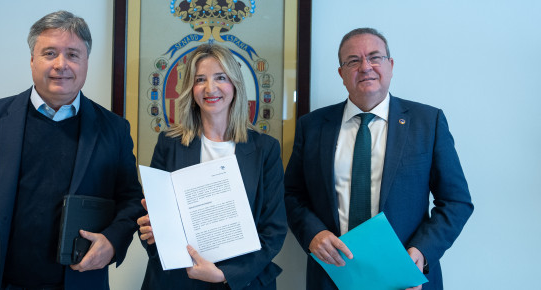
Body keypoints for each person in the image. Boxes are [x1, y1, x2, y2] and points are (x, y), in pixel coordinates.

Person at [0, 10, 144, 290]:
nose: (61, 64)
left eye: (72, 54)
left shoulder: (114, 129)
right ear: (32, 60)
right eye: (49, 53)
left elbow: (131, 201)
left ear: (86, 62)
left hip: (79, 282)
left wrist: (112, 241)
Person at [284, 27, 474, 290]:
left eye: (375, 57)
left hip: (405, 276)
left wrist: (422, 251)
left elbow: (456, 201)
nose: (365, 67)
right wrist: (313, 234)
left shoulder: (428, 123)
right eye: (353, 60)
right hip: (332, 276)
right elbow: (292, 194)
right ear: (341, 73)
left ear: (391, 65)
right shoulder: (312, 126)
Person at [136, 44, 287, 290]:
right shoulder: (169, 144)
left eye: (220, 78)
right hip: (177, 281)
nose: (210, 88)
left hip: (242, 282)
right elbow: (153, 223)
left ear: (235, 84)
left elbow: (274, 230)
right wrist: (154, 231)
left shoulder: (265, 149)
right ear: (190, 89)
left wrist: (224, 274)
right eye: (200, 80)